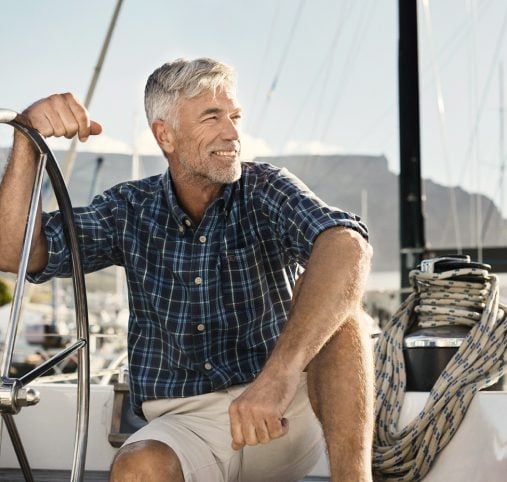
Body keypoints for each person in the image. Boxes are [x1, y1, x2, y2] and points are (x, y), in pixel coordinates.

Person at [0, 58, 374, 482]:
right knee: (138, 470)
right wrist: (27, 139)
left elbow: (347, 244)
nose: (232, 133)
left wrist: (278, 377)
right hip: (185, 423)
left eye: (235, 117)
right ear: (166, 135)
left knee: (344, 319)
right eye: (212, 117)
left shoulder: (266, 187)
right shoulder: (129, 209)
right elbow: (15, 252)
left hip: (281, 412)